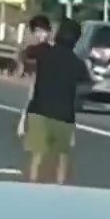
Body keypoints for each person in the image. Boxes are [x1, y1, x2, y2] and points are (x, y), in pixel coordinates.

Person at [18, 17, 91, 184]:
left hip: (39, 110)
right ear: (76, 40)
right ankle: (60, 188)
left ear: (58, 34)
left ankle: (32, 186)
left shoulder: (43, 51)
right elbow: (87, 86)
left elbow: (24, 54)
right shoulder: (78, 64)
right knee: (62, 157)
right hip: (64, 113)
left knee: (38, 154)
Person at [16, 14, 52, 139]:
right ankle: (22, 123)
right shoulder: (32, 49)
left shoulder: (52, 48)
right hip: (37, 78)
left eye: (44, 31)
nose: (43, 34)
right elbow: (22, 57)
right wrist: (23, 69)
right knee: (32, 99)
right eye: (39, 32)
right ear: (35, 33)